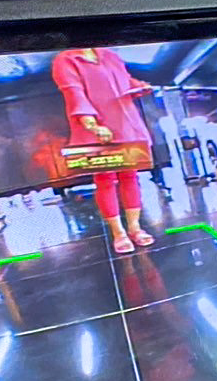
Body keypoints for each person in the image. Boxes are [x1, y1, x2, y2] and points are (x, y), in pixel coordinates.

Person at [52, 47, 156, 254]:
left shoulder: (109, 54)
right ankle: (118, 232)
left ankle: (135, 228)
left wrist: (138, 86)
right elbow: (74, 93)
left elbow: (123, 80)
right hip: (96, 128)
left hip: (125, 123)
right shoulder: (66, 60)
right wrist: (92, 125)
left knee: (130, 175)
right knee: (105, 179)